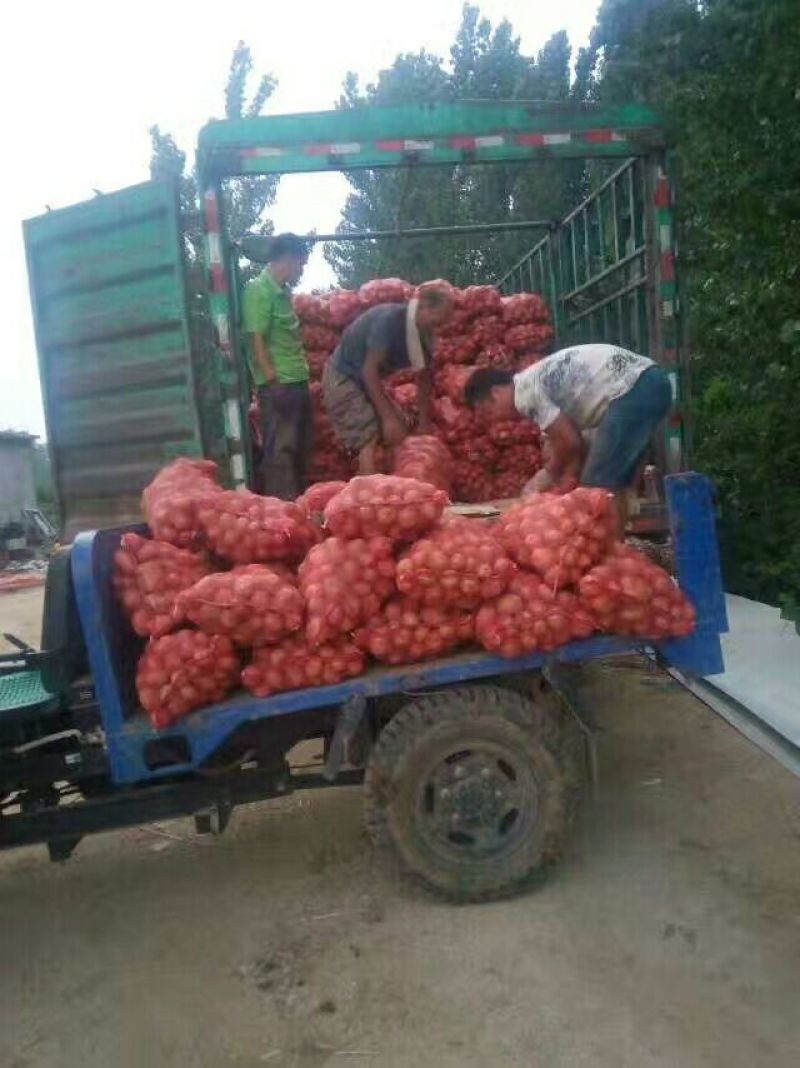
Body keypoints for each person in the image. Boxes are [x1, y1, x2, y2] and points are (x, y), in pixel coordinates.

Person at [464, 343, 672, 522]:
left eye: (486, 411)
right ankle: (616, 551)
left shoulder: (524, 393)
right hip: (648, 379)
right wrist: (568, 477)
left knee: (596, 489)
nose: (491, 419)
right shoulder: (532, 380)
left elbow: (569, 442)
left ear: (496, 392)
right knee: (609, 484)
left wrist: (547, 475)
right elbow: (573, 443)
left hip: (635, 386)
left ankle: (610, 557)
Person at [322, 284, 455, 473]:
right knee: (368, 435)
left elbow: (424, 378)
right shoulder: (390, 321)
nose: (438, 328)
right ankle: (367, 494)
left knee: (400, 429)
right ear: (424, 306)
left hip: (365, 379)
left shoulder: (422, 333)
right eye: (436, 322)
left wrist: (424, 423)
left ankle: (393, 486)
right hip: (343, 376)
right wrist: (388, 418)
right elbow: (369, 370)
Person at [242, 233, 312, 500]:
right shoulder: (259, 290)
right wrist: (273, 381)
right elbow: (256, 339)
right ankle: (282, 515)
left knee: (300, 450)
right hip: (279, 385)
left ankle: (300, 509)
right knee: (281, 452)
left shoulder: (283, 293)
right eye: (301, 264)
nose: (301, 270)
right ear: (288, 259)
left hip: (297, 381)